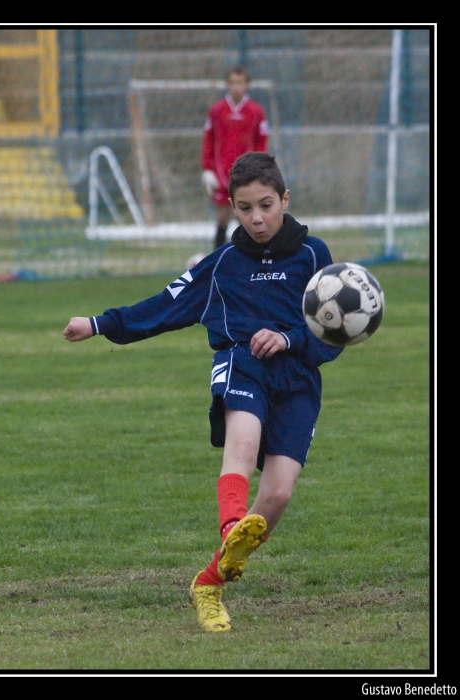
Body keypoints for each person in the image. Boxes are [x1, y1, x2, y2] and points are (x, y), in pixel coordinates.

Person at [63, 152, 344, 633]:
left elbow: (331, 332)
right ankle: (232, 525)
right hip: (242, 365)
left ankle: (209, 582)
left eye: (266, 204)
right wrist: (100, 323)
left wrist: (290, 338)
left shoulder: (314, 255)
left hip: (297, 379)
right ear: (232, 207)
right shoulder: (224, 264)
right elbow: (166, 305)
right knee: (243, 445)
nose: (256, 218)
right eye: (244, 207)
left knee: (277, 495)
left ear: (285, 199)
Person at [201, 65, 269, 250]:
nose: (236, 87)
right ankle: (217, 259)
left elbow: (261, 141)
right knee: (222, 217)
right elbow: (209, 139)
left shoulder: (256, 111)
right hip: (222, 174)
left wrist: (260, 168)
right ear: (227, 85)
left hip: (247, 174)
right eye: (232, 83)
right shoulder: (216, 110)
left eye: (240, 83)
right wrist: (207, 169)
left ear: (247, 85)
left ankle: (250, 257)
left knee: (247, 216)